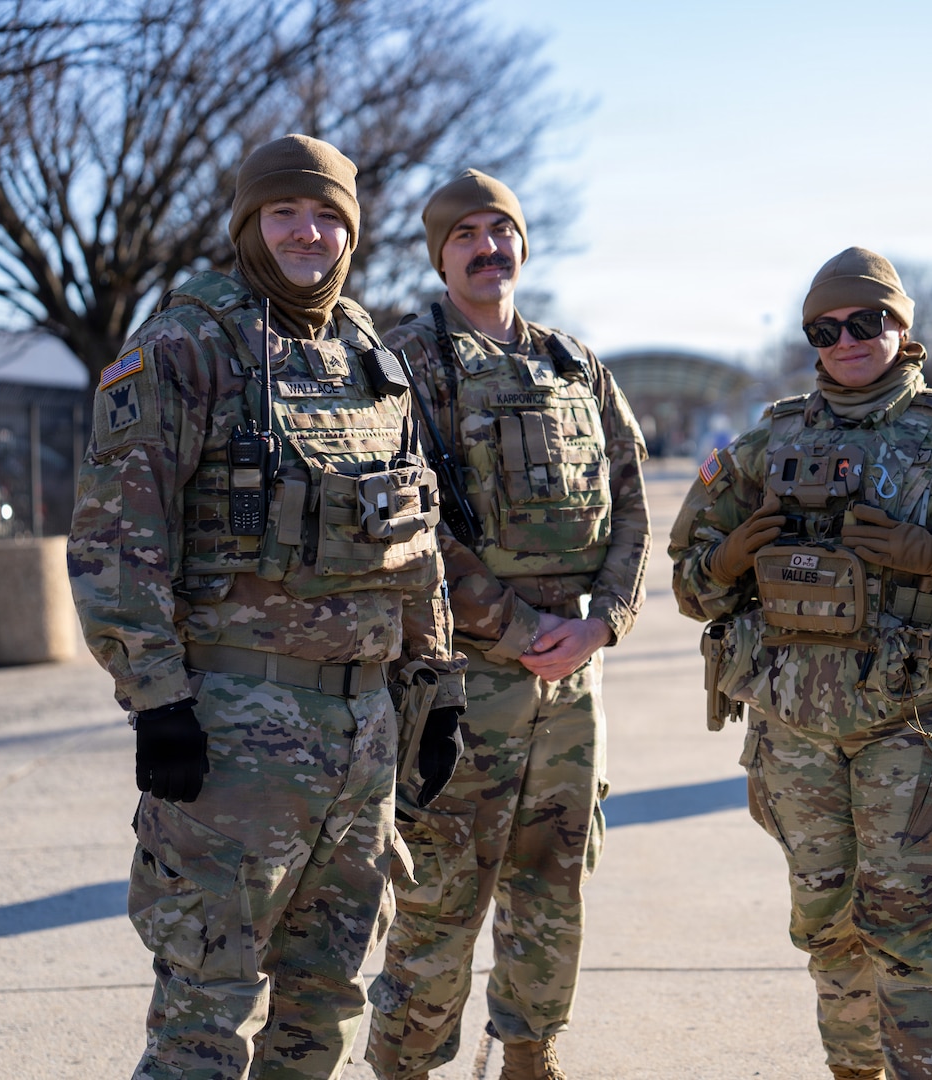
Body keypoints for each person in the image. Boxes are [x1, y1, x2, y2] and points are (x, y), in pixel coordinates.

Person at [67, 134, 466, 1080]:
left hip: (365, 732)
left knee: (321, 1004)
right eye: (285, 211)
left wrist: (437, 678)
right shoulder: (184, 345)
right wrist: (157, 699)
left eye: (329, 214)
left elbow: (416, 532)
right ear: (249, 221)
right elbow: (116, 538)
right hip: (235, 737)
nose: (309, 231)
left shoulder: (370, 354)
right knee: (208, 1008)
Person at [669, 248, 932, 1080]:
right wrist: (729, 557)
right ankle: (853, 1070)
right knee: (825, 928)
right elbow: (689, 587)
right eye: (826, 327)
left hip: (912, 728)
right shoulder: (766, 444)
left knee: (907, 929)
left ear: (903, 326)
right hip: (793, 729)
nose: (846, 338)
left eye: (867, 320)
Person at [365, 169, 650, 1080]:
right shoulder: (403, 364)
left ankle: (532, 1050)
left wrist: (603, 622)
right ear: (439, 255)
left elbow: (634, 503)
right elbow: (407, 525)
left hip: (572, 680)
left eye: (502, 230)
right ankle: (406, 1063)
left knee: (554, 880)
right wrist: (516, 627)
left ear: (523, 244)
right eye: (466, 236)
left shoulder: (575, 364)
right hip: (460, 680)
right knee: (440, 893)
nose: (488, 248)